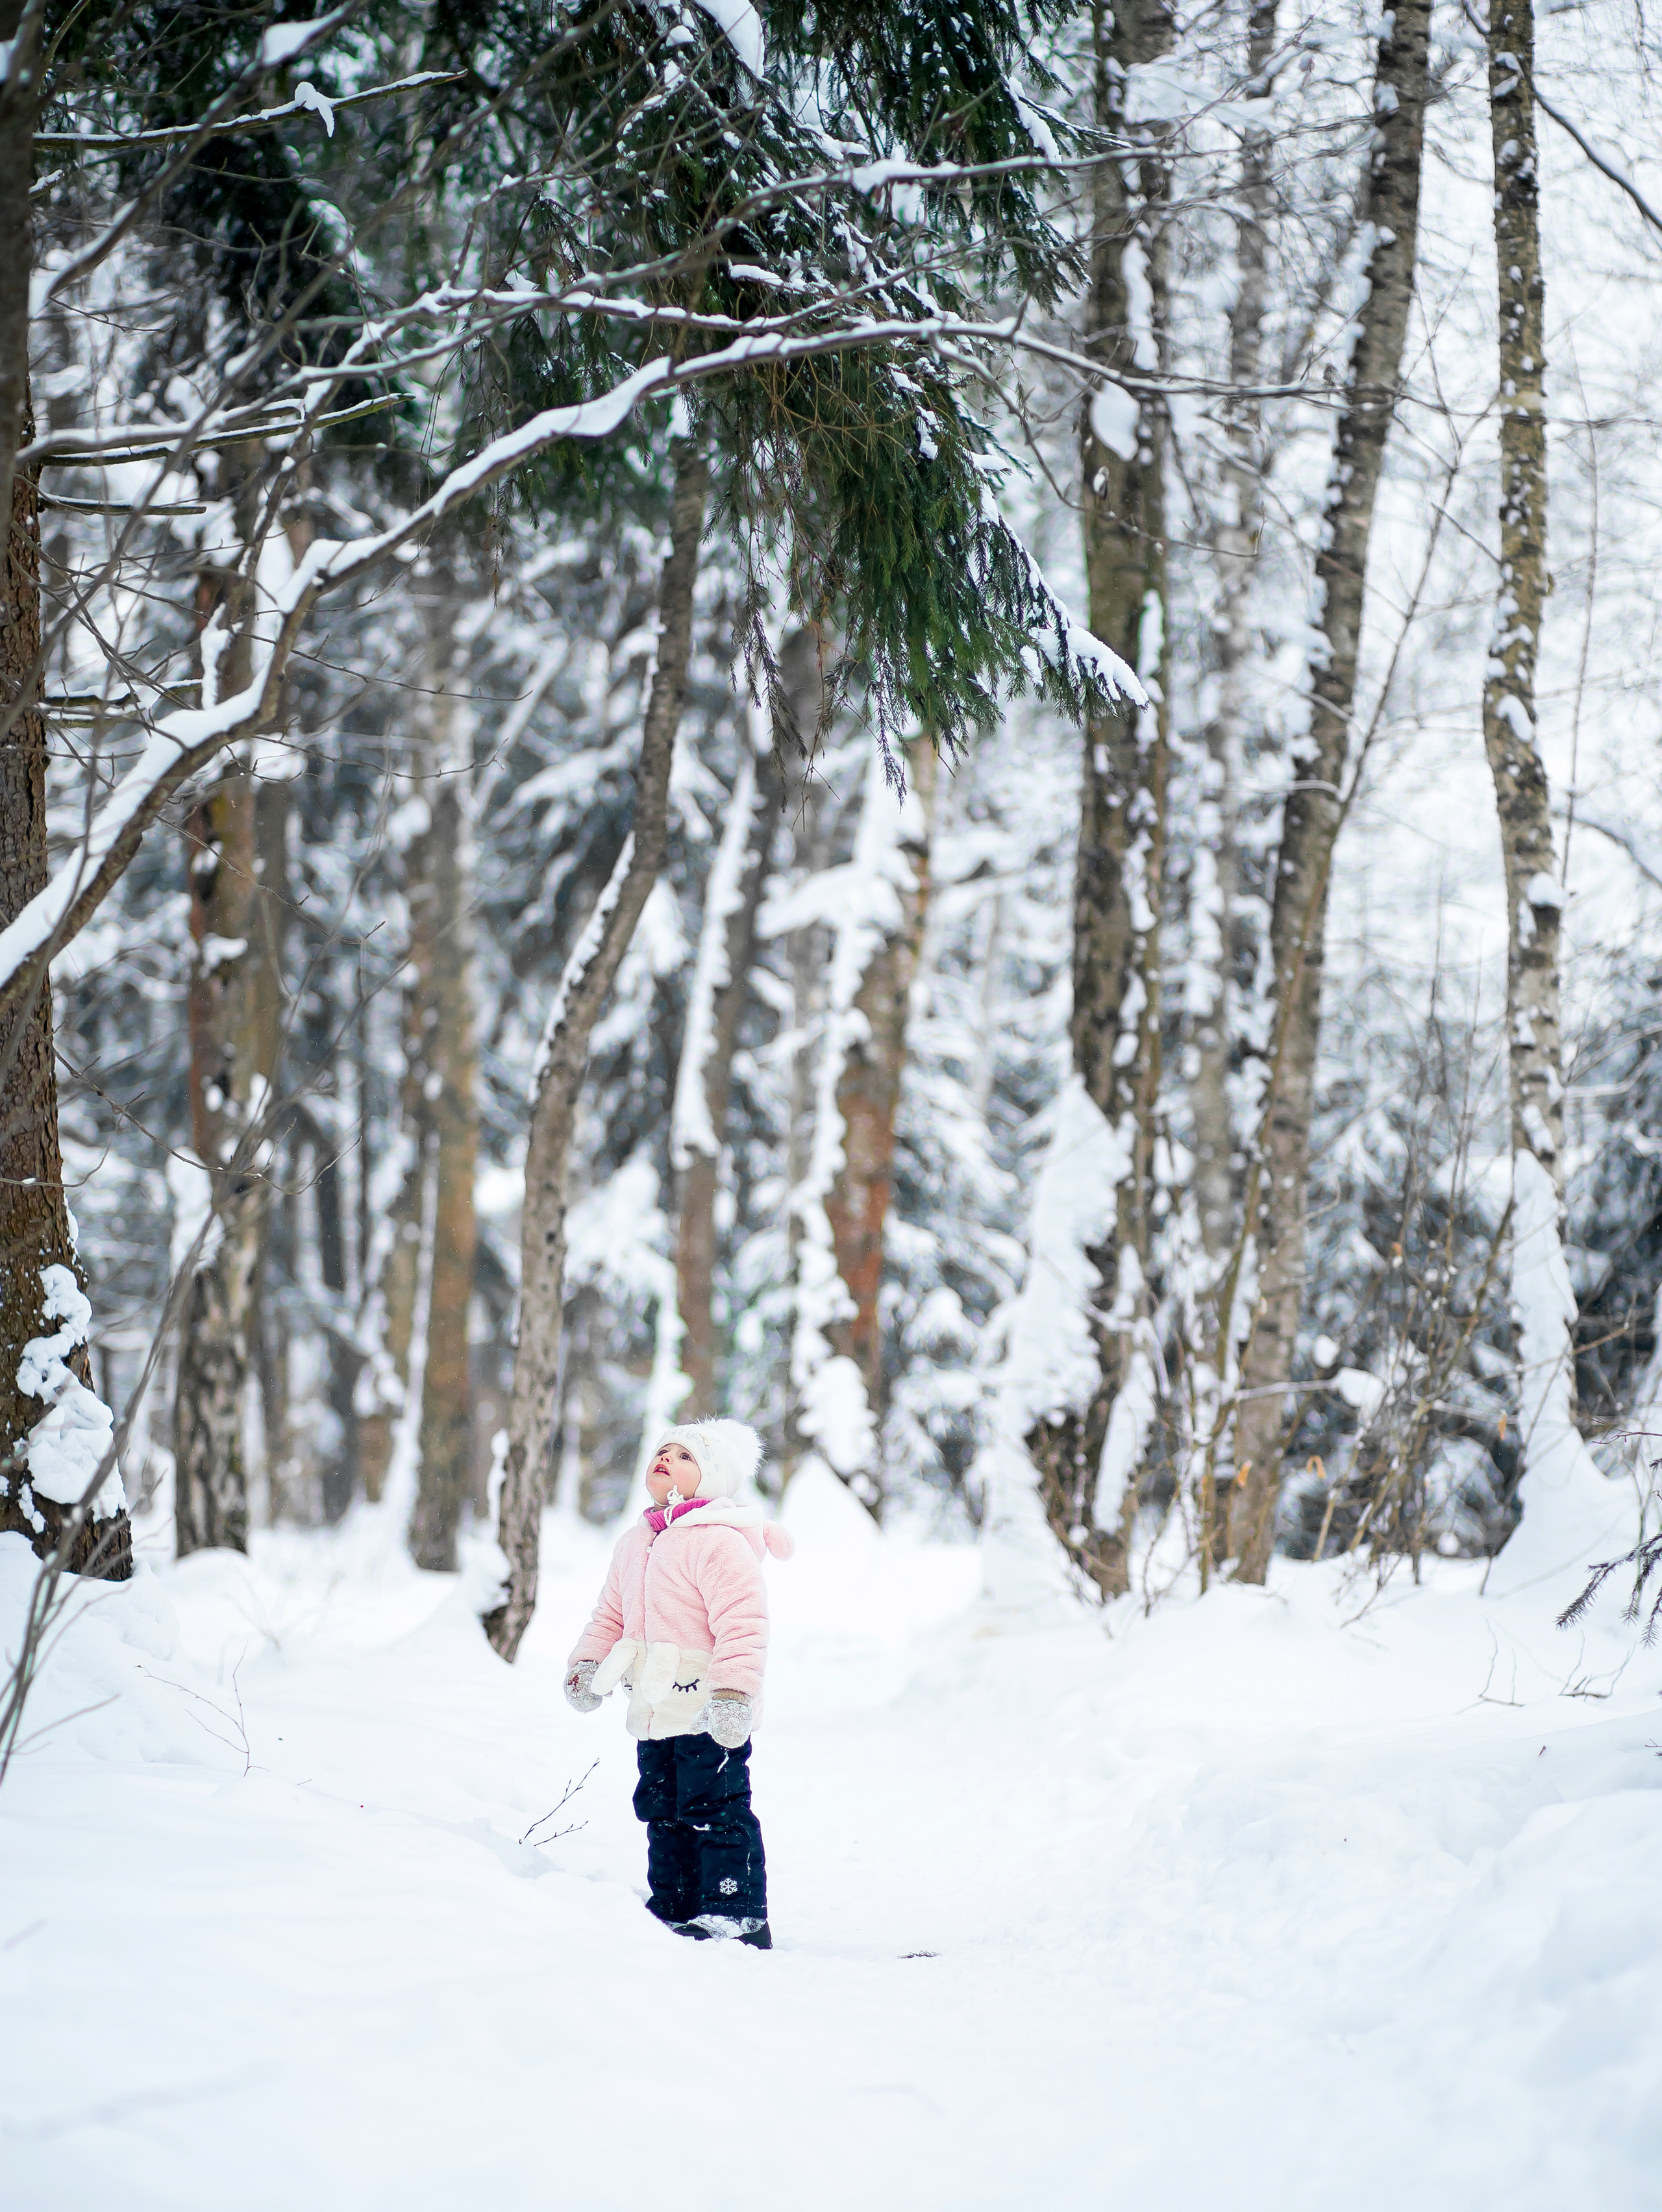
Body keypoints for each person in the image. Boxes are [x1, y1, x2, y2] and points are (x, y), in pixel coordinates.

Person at [564, 1418, 793, 1948]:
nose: (666, 1457)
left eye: (684, 1455)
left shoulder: (717, 1543)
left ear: (712, 1478)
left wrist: (734, 1693)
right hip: (652, 1705)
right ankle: (674, 1903)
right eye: (661, 1450)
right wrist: (588, 1665)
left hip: (708, 1707)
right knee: (662, 1808)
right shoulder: (635, 1542)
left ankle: (735, 1911)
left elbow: (744, 1622)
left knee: (715, 1806)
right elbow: (609, 1616)